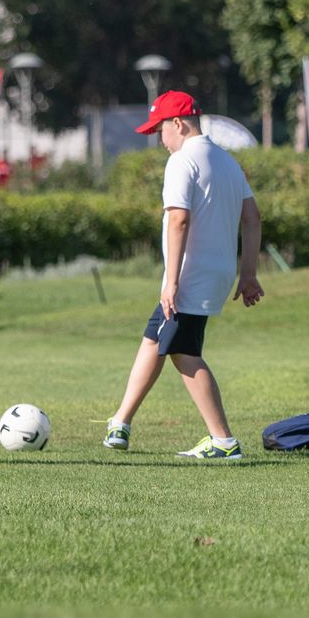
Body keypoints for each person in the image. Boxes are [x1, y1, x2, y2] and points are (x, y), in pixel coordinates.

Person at [104, 90, 264, 460]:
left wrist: (171, 281)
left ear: (178, 124)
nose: (158, 140)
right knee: (154, 337)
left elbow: (179, 219)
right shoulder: (226, 161)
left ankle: (223, 441)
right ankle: (121, 423)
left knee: (183, 352)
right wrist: (248, 273)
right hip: (216, 271)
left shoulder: (181, 162)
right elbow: (252, 217)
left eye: (159, 130)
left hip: (190, 275)